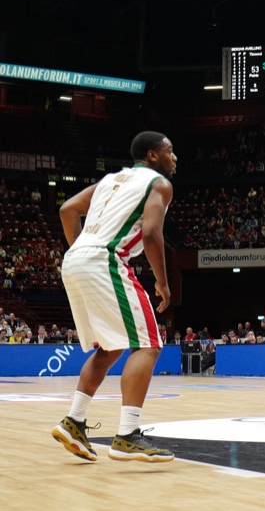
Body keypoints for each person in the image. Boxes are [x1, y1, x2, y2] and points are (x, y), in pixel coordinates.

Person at [51, 131, 178, 462]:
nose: (175, 157)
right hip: (105, 259)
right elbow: (150, 232)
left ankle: (74, 421)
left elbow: (67, 209)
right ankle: (127, 434)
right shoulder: (159, 184)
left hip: (76, 259)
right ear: (153, 156)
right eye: (170, 151)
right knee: (149, 344)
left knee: (112, 346)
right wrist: (163, 283)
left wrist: (80, 247)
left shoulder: (111, 180)